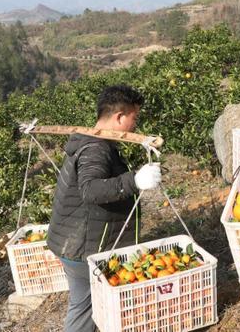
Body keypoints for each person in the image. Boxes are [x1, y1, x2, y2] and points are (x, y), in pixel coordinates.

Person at [46, 84, 162, 332]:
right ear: (119, 117)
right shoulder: (96, 149)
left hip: (75, 241)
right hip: (82, 247)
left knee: (85, 306)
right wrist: (135, 181)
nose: (135, 124)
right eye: (134, 118)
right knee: (85, 311)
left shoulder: (93, 140)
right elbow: (91, 190)